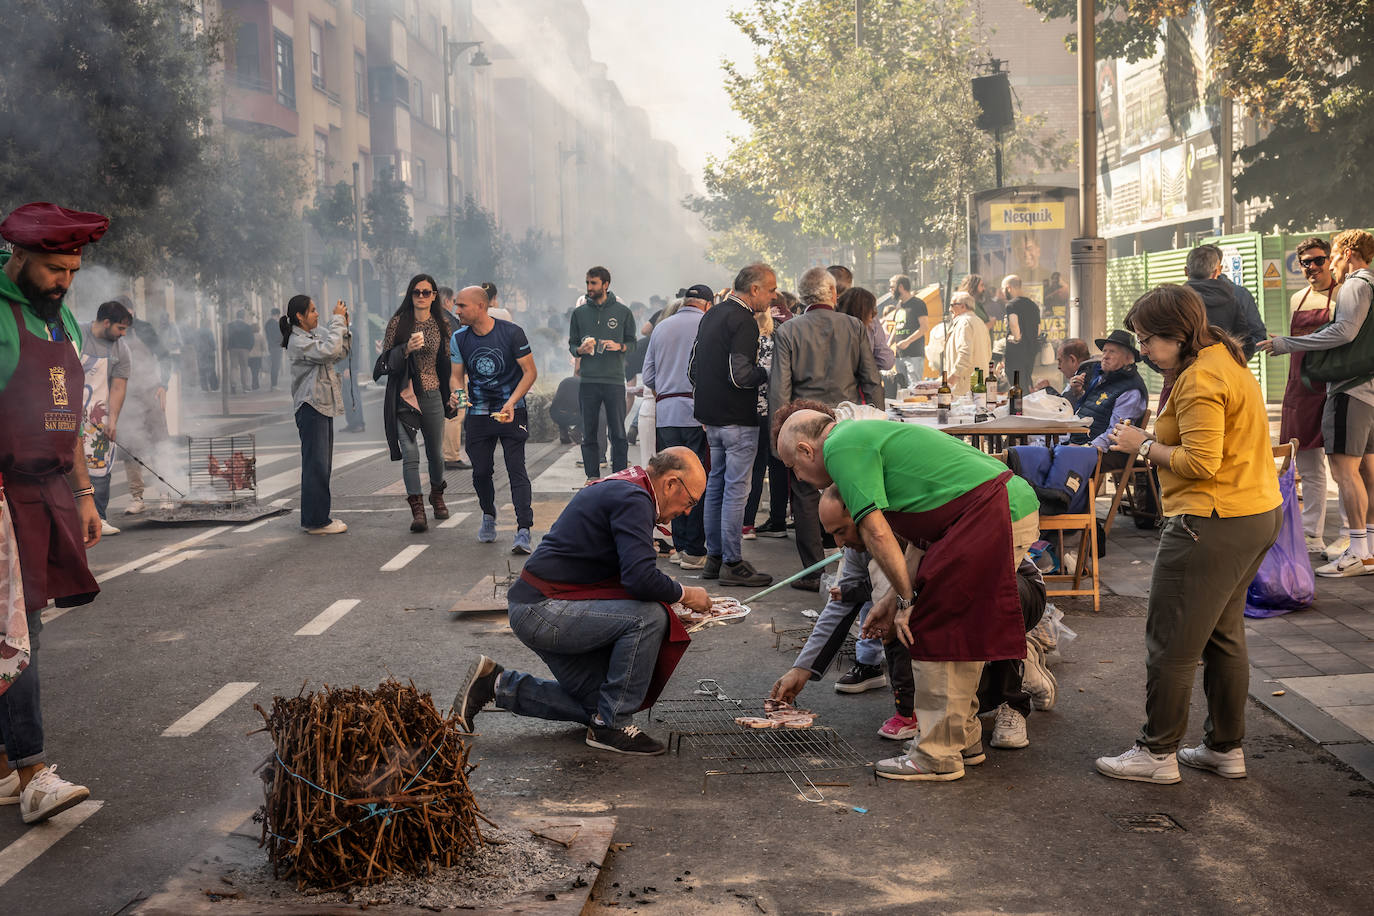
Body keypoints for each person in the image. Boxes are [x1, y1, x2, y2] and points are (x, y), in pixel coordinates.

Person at [773, 406, 1041, 780]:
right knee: (949, 625)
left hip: (993, 509)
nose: (799, 478)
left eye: (793, 467)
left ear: (806, 450)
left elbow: (878, 533)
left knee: (938, 628)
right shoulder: (862, 439)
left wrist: (906, 602)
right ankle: (962, 741)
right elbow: (922, 537)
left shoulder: (840, 447)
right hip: (987, 509)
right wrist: (891, 601)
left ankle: (936, 756)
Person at [1096, 284, 1282, 784]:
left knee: (1172, 642)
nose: (1145, 352)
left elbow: (1201, 462)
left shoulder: (1201, 378)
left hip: (1211, 519)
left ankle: (1157, 754)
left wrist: (1143, 442)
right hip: (1254, 511)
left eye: (1149, 340)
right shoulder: (1224, 354)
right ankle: (1225, 748)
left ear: (1177, 335)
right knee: (1223, 636)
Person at [453, 448, 713, 756]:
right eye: (691, 501)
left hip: (540, 604)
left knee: (599, 702)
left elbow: (631, 575)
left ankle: (497, 685)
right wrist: (685, 594)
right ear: (670, 484)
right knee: (650, 617)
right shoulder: (634, 499)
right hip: (543, 608)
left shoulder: (630, 488)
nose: (687, 512)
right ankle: (612, 726)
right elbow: (640, 578)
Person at [0, 200, 108, 826]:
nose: (64, 281)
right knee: (20, 632)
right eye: (52, 268)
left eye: (71, 269)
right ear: (19, 258)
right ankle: (32, 771)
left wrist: (86, 494)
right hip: (4, 493)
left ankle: (8, 763)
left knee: (20, 623)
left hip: (48, 491)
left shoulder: (59, 316)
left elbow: (68, 420)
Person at [1260, 229, 1374, 577]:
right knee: (1366, 470)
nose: (1323, 265)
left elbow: (1344, 332)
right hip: (1360, 388)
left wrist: (1289, 344)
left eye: (1330, 255)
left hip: (1347, 389)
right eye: (1305, 262)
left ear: (1347, 252)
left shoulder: (1354, 285)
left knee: (1344, 470)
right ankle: (1367, 546)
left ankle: (1355, 547)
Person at [770, 267, 882, 590]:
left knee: (804, 495)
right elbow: (871, 381)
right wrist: (878, 425)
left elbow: (780, 390)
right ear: (834, 295)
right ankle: (856, 566)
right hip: (845, 423)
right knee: (850, 492)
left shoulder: (789, 331)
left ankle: (814, 573)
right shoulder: (854, 326)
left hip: (803, 425)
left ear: (803, 297)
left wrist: (778, 438)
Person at [690, 265, 775, 588]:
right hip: (738, 418)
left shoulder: (711, 314)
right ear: (754, 289)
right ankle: (733, 561)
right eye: (770, 290)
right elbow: (741, 374)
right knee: (737, 489)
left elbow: (693, 369)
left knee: (716, 484)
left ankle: (714, 557)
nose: (772, 296)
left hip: (711, 416)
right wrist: (766, 373)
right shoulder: (744, 321)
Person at [449, 285, 538, 553]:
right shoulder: (459, 337)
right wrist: (459, 397)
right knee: (480, 472)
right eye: (456, 305)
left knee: (516, 468)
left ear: (480, 306)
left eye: (462, 306)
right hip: (478, 413)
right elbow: (456, 375)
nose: (457, 310)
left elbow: (530, 372)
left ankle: (523, 530)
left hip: (512, 409)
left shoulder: (512, 333)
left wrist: (511, 402)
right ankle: (488, 515)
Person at [1275, 238, 1347, 555]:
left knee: (1344, 466)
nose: (1313, 267)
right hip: (1299, 389)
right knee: (1308, 465)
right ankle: (1311, 535)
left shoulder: (1345, 295)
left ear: (1329, 260)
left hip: (1333, 386)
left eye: (1318, 260)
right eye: (1306, 262)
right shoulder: (1296, 299)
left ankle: (1350, 532)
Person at [376, 273, 455, 533]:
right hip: (404, 397)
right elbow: (385, 359)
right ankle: (417, 509)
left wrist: (455, 393)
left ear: (434, 296)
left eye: (426, 292)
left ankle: (437, 494)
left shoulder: (442, 324)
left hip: (432, 394)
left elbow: (451, 364)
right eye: (416, 292)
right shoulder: (399, 323)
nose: (421, 297)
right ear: (410, 295)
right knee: (410, 454)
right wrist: (406, 349)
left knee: (435, 454)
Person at [642, 286, 711, 569]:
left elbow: (648, 375)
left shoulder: (661, 327)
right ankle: (694, 549)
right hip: (697, 414)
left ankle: (680, 545)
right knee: (694, 480)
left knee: (671, 480)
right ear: (707, 304)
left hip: (666, 414)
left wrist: (668, 387)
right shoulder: (706, 323)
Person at [282, 295, 350, 535]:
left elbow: (338, 353)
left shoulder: (312, 334)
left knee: (322, 464)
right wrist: (337, 321)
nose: (317, 314)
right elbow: (329, 350)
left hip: (321, 404)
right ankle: (316, 521)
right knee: (316, 465)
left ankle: (319, 516)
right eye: (312, 311)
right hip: (310, 406)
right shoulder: (297, 341)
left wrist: (344, 326)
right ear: (299, 316)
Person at [568, 266, 635, 481]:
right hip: (588, 380)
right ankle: (592, 477)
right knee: (589, 431)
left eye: (593, 283)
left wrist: (620, 347)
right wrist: (580, 350)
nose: (589, 287)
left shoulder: (623, 312)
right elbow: (572, 344)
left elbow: (632, 343)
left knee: (618, 433)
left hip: (614, 380)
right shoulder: (579, 313)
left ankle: (619, 477)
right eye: (587, 283)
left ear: (605, 284)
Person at [79, 300, 132, 534]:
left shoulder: (121, 349)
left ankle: (99, 517)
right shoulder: (77, 333)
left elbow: (119, 386)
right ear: (107, 322)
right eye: (120, 329)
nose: (122, 335)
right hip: (69, 412)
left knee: (100, 466)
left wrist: (113, 420)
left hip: (99, 414)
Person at [116, 298, 170, 515]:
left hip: (149, 393)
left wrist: (163, 385)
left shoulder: (145, 329)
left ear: (132, 311)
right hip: (126, 397)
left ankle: (165, 491)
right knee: (130, 448)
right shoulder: (113, 334)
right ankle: (136, 496)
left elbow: (165, 357)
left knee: (159, 443)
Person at [1067, 330, 1148, 471]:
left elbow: (1116, 432)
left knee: (1056, 458)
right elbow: (1093, 411)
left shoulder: (1131, 390)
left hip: (1107, 452)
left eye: (1112, 352)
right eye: (1104, 351)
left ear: (1129, 358)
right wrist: (1077, 392)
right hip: (1080, 441)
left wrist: (1086, 449)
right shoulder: (1103, 378)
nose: (1105, 356)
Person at [743, 302, 790, 543]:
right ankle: (763, 522)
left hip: (747, 410)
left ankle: (744, 522)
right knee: (769, 467)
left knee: (749, 468)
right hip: (771, 412)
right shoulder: (776, 343)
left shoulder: (747, 342)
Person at [1183, 244, 1267, 360]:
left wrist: (1170, 370)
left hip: (1187, 373)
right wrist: (1231, 358)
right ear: (1218, 269)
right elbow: (1254, 339)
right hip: (1226, 373)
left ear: (1186, 271)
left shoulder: (1173, 300)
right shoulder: (1236, 296)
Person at [437, 287, 470, 471]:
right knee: (456, 413)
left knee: (447, 415)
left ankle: (446, 453)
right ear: (448, 301)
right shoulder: (449, 321)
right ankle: (451, 456)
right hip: (454, 375)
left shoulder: (432, 319)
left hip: (442, 375)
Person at [942, 291, 992, 395]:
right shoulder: (979, 322)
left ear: (963, 306)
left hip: (964, 386)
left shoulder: (964, 323)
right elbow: (988, 353)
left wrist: (954, 376)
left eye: (952, 305)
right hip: (978, 384)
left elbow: (965, 353)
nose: (949, 309)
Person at [838, 286, 895, 375]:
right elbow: (886, 361)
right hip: (862, 384)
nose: (874, 314)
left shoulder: (833, 327)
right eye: (872, 310)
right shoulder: (870, 325)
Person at [1001, 275, 1041, 386]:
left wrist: (1016, 338)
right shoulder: (1033, 305)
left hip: (1015, 353)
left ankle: (1018, 403)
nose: (1003, 293)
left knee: (1016, 385)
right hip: (1030, 352)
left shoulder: (1011, 305)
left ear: (1008, 288)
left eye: (1003, 289)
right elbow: (1038, 329)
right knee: (1027, 382)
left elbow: (1014, 323)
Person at [888, 275, 929, 381]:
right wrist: (888, 344)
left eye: (892, 287)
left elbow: (924, 327)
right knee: (902, 389)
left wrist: (907, 341)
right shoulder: (899, 305)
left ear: (901, 287)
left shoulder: (918, 304)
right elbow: (896, 327)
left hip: (914, 355)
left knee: (914, 388)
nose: (890, 290)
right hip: (899, 356)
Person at [226, 308, 254, 393]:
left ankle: (233, 384)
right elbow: (251, 339)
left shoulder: (230, 325)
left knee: (234, 367)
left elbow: (227, 337)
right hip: (244, 349)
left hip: (233, 349)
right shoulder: (247, 326)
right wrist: (249, 348)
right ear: (243, 316)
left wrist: (229, 347)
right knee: (244, 368)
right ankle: (245, 386)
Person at [246, 311, 266, 390]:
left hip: (250, 355)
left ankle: (255, 384)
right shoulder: (260, 336)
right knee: (256, 371)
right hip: (258, 355)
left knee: (252, 370)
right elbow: (264, 347)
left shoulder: (248, 336)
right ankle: (255, 384)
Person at [264, 307, 282, 391]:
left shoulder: (267, 324)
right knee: (276, 366)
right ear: (277, 315)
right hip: (277, 347)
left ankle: (273, 384)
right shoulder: (276, 324)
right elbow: (279, 336)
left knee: (273, 366)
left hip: (271, 346)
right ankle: (274, 384)